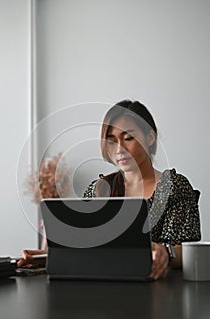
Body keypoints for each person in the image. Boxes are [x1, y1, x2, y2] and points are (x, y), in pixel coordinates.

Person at [18, 100, 201, 280]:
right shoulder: (98, 190)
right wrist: (48, 258)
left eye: (128, 138)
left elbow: (190, 250)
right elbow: (85, 245)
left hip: (160, 291)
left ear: (150, 137)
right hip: (102, 290)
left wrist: (166, 252)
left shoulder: (174, 187)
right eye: (111, 141)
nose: (120, 149)